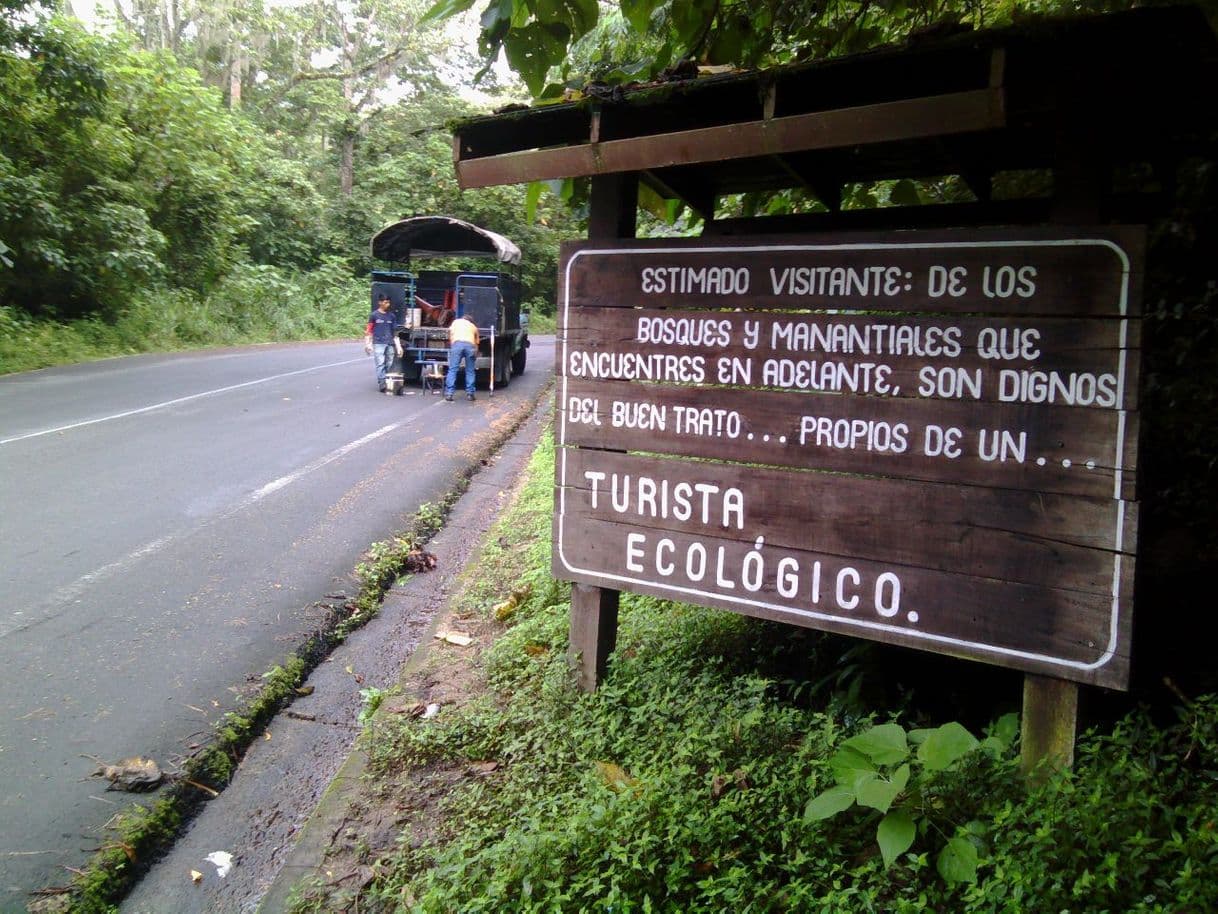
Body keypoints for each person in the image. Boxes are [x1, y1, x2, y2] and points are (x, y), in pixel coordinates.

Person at [364, 294, 403, 394]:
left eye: (388, 302)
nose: (387, 304)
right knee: (380, 364)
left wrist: (398, 346)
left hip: (390, 343)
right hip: (378, 343)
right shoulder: (374, 315)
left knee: (389, 363)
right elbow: (369, 330)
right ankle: (382, 383)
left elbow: (395, 332)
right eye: (385, 302)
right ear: (380, 302)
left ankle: (387, 380)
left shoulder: (392, 316)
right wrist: (367, 344)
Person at [444, 313, 480, 401]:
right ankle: (470, 394)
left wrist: (453, 345)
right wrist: (475, 354)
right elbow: (476, 343)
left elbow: (449, 334)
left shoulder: (455, 322)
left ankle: (449, 394)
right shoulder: (473, 327)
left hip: (457, 345)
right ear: (470, 321)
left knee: (453, 369)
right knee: (470, 370)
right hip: (470, 346)